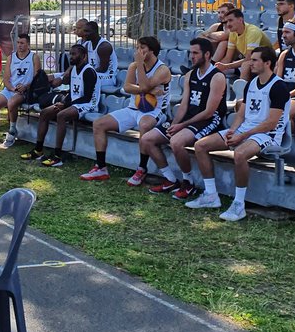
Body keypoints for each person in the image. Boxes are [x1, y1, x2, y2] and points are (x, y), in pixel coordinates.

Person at [187, 47, 290, 222]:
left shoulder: (279, 86)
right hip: (246, 130)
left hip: (268, 134)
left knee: (240, 153)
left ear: (267, 63)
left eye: (255, 60)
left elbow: (271, 123)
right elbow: (241, 114)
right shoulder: (251, 83)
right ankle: (211, 195)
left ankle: (239, 204)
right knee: (200, 145)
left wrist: (241, 136)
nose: (250, 63)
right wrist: (233, 131)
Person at [139, 37, 227, 200]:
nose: (191, 56)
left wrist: (182, 126)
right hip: (189, 118)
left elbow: (209, 112)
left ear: (207, 54)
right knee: (147, 139)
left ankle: (188, 182)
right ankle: (170, 180)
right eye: (190, 52)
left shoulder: (217, 77)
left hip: (209, 120)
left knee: (176, 142)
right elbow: (184, 105)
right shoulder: (190, 74)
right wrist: (174, 124)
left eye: (195, 53)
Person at [82, 36, 171, 182]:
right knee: (98, 124)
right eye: (137, 48)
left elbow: (143, 85)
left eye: (142, 48)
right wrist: (149, 90)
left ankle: (142, 169)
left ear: (152, 50)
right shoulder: (133, 66)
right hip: (132, 108)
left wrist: (141, 69)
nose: (138, 51)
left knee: (144, 125)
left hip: (155, 110)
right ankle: (101, 168)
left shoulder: (162, 69)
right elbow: (127, 87)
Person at [19, 43, 99, 167]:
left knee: (61, 115)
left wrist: (66, 104)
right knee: (45, 113)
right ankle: (38, 150)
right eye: (70, 54)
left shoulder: (88, 71)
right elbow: (73, 92)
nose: (71, 57)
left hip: (88, 104)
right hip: (75, 103)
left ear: (84, 56)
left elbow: (87, 98)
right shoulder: (73, 70)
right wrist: (64, 102)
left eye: (74, 54)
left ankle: (57, 156)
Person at [0, 34, 39, 147]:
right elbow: (6, 78)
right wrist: (12, 88)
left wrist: (25, 87)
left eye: (22, 43)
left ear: (28, 44)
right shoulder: (11, 57)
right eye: (18, 43)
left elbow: (37, 78)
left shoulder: (34, 57)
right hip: (11, 89)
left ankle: (12, 131)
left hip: (26, 91)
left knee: (12, 103)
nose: (19, 45)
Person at [212, 9, 272, 80]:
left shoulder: (252, 32)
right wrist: (217, 68)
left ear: (240, 20)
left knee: (245, 65)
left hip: (267, 61)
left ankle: (242, 87)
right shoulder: (233, 33)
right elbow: (228, 58)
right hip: (252, 60)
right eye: (226, 21)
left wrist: (227, 66)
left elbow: (249, 57)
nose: (228, 24)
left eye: (230, 20)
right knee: (216, 71)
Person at [83, 21, 117, 92]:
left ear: (95, 31)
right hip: (95, 73)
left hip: (108, 76)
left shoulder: (104, 46)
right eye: (84, 31)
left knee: (88, 78)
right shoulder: (87, 44)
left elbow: (103, 69)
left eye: (87, 31)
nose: (85, 34)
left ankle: (91, 99)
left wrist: (85, 73)